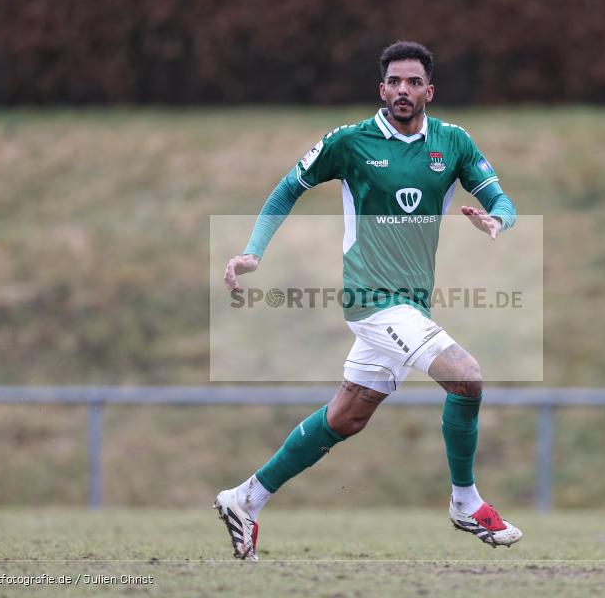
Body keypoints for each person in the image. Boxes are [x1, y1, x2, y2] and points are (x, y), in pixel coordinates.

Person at [215, 41, 521, 560]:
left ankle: (245, 499)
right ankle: (465, 502)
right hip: (372, 298)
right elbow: (287, 188)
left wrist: (499, 219)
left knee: (348, 416)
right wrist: (253, 252)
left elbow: (499, 197)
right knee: (466, 377)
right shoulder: (350, 141)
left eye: (413, 82)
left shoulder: (454, 142)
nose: (403, 90)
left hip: (411, 303)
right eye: (394, 82)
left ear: (430, 90)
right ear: (382, 89)